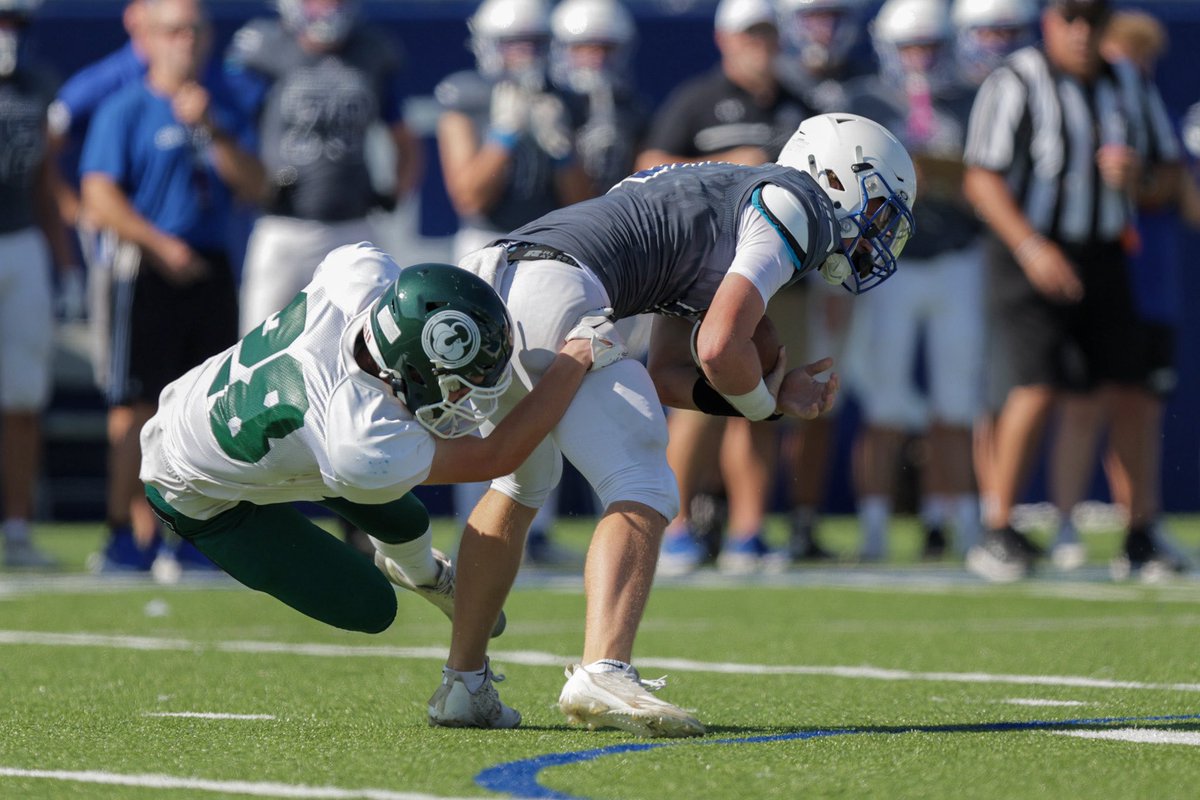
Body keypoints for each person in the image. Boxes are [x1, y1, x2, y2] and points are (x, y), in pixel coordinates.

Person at [435, 112, 916, 736]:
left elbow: (668, 371)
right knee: (645, 478)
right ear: (837, 176)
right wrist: (763, 406)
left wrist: (767, 391)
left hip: (494, 276)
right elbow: (718, 348)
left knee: (524, 480)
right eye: (877, 211)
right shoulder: (796, 202)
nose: (874, 234)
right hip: (556, 285)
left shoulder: (715, 200)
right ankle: (604, 668)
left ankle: (463, 683)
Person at [140, 245, 619, 635]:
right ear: (409, 367)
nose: (465, 394)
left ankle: (423, 573)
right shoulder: (365, 441)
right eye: (457, 381)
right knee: (370, 606)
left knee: (396, 507)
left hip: (218, 403)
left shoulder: (362, 276)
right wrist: (574, 359)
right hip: (193, 491)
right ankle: (415, 570)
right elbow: (499, 454)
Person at [961, 0, 1182, 582]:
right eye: (1072, 17)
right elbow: (981, 178)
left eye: (1094, 19)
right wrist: (1032, 247)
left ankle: (1141, 530)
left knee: (1129, 390)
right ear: (1049, 21)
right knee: (1034, 387)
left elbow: (1170, 175)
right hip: (1027, 251)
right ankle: (998, 528)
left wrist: (1139, 179)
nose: (1083, 32)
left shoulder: (1127, 80)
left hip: (1104, 253)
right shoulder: (1016, 80)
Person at [79, 0, 265, 574]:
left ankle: (197, 534)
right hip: (146, 268)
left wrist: (211, 127)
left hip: (210, 267)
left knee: (211, 406)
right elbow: (98, 195)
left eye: (194, 31)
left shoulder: (223, 105)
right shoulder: (126, 108)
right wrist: (161, 245)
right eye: (174, 31)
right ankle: (123, 535)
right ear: (150, 38)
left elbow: (256, 185)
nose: (186, 42)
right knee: (135, 403)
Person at [635, 0, 813, 575]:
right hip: (709, 268)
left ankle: (749, 530)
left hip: (780, 272)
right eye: (749, 33)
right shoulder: (696, 98)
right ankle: (677, 525)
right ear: (725, 40)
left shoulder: (799, 105)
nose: (758, 43)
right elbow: (649, 166)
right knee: (703, 402)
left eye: (766, 32)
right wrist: (728, 160)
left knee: (767, 390)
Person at [436, 0, 593, 565]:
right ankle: (471, 524)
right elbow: (469, 195)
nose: (523, 55)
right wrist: (503, 136)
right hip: (481, 247)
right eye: (513, 42)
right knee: (463, 386)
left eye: (532, 41)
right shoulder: (464, 94)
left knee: (534, 381)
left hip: (546, 246)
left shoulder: (565, 98)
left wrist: (559, 147)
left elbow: (583, 201)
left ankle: (537, 526)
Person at [1044, 9, 1192, 574]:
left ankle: (1141, 526)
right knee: (1082, 401)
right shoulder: (1065, 105)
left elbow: (1175, 187)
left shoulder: (1151, 112)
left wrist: (1141, 180)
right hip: (1102, 273)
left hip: (1151, 284)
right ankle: (1062, 524)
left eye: (1143, 60)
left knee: (1139, 404)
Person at [844, 0, 983, 563]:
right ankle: (874, 526)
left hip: (957, 258)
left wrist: (938, 169)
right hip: (888, 264)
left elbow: (985, 175)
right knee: (885, 405)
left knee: (956, 402)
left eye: (930, 45)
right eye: (911, 46)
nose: (921, 57)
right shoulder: (863, 103)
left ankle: (959, 522)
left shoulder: (971, 99)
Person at [225, 0, 423, 336]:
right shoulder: (265, 48)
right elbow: (232, 129)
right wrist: (253, 183)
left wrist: (395, 191)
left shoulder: (370, 50)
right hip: (285, 224)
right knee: (258, 340)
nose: (327, 9)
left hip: (353, 225)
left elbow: (404, 138)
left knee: (370, 339)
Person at [775, 0, 872, 562]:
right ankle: (731, 519)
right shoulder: (778, 90)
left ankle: (802, 520)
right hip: (775, 253)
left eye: (832, 14)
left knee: (820, 395)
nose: (822, 28)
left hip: (826, 259)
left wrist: (841, 277)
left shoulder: (861, 87)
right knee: (751, 389)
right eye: (812, 14)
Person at [0, 0, 78, 568]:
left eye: (13, 22)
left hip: (22, 242)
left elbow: (47, 183)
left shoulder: (38, 86)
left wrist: (65, 263)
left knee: (23, 398)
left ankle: (19, 530)